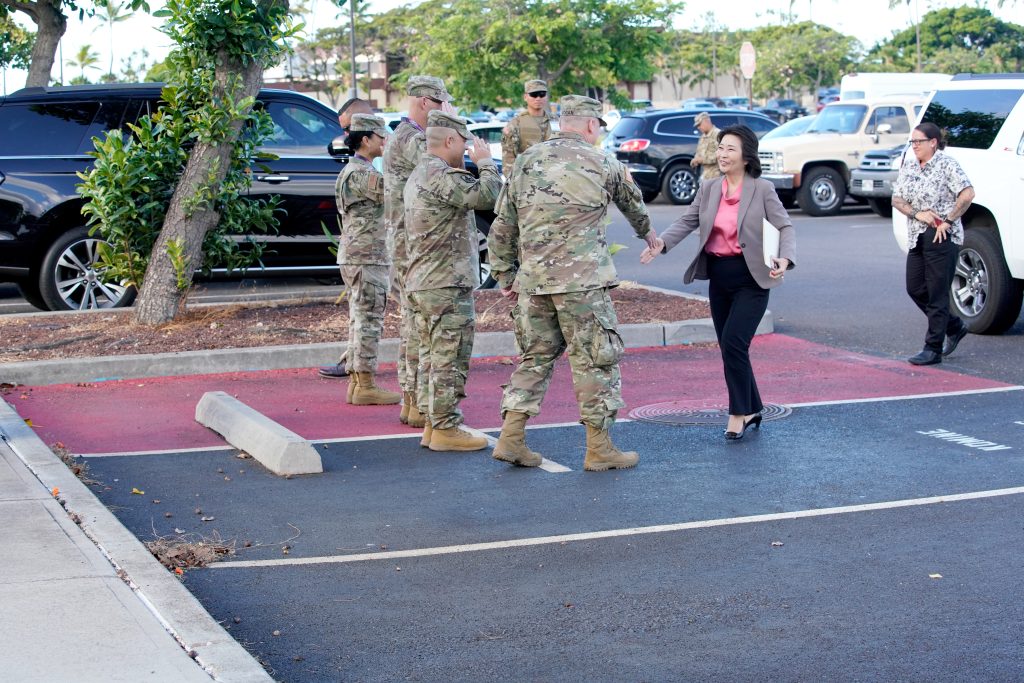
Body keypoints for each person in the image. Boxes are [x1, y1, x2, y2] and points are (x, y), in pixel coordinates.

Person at [489, 95, 658, 471]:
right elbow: (633, 204)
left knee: (535, 357)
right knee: (595, 361)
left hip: (534, 283)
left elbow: (503, 222)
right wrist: (649, 236)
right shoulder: (602, 161)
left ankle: (511, 437)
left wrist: (504, 275)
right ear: (592, 125)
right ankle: (599, 449)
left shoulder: (528, 160)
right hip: (583, 284)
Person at [641, 124, 795, 440]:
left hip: (753, 278)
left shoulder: (762, 189)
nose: (722, 154)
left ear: (746, 156)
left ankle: (737, 413)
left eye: (730, 149)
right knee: (730, 347)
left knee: (735, 343)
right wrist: (662, 243)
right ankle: (752, 406)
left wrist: (785, 258)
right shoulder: (710, 188)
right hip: (720, 278)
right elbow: (688, 220)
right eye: (720, 147)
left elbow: (785, 226)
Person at [404, 111, 502, 451]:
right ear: (449, 140)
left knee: (432, 356)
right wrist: (487, 163)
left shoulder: (420, 173)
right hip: (444, 282)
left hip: (425, 280)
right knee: (450, 355)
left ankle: (434, 423)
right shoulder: (441, 175)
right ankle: (446, 427)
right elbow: (489, 196)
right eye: (464, 142)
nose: (467, 149)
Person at [382, 75, 454, 427]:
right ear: (425, 101)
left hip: (407, 241)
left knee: (413, 325)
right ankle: (417, 402)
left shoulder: (404, 135)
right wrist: (453, 128)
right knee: (419, 327)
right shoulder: (413, 139)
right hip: (411, 243)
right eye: (441, 104)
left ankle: (412, 401)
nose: (444, 110)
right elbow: (447, 163)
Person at [331, 114, 402, 407]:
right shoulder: (360, 173)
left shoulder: (360, 170)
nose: (384, 141)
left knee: (361, 318)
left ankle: (358, 383)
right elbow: (395, 192)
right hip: (366, 256)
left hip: (364, 255)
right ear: (365, 140)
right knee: (368, 320)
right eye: (380, 136)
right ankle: (364, 384)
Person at [891, 122, 975, 366]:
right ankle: (954, 325)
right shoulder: (910, 165)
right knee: (915, 288)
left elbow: (967, 193)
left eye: (918, 141)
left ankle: (933, 348)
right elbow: (897, 199)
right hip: (917, 234)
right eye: (912, 141)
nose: (914, 145)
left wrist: (948, 221)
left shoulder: (946, 164)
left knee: (938, 293)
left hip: (941, 236)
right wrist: (918, 213)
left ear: (933, 142)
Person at [319, 97, 377, 380]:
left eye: (349, 128)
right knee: (367, 313)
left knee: (364, 311)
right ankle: (360, 375)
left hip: (374, 250)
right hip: (368, 253)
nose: (346, 136)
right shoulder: (361, 171)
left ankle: (356, 368)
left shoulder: (368, 162)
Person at [501, 79, 558, 173]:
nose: (538, 98)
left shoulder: (556, 122)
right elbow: (508, 161)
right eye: (534, 95)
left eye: (542, 94)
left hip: (555, 179)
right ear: (525, 97)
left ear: (546, 96)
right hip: (528, 180)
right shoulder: (515, 124)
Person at [690, 112, 722, 182]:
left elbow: (721, 156)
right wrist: (695, 160)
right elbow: (699, 152)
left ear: (706, 121)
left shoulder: (718, 134)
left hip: (716, 176)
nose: (698, 128)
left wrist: (702, 160)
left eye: (699, 124)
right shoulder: (702, 137)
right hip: (704, 175)